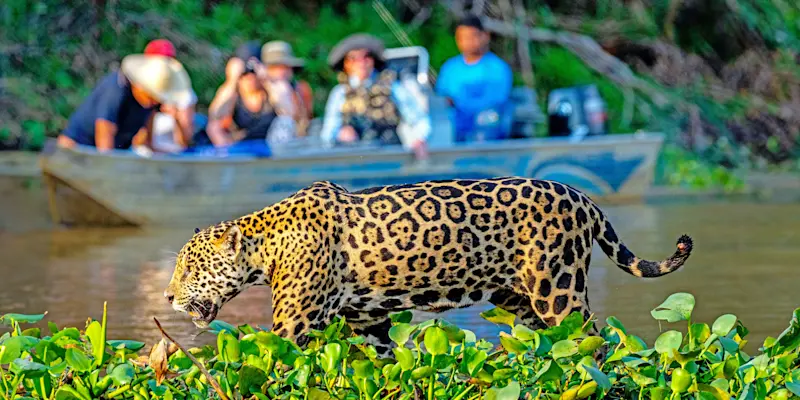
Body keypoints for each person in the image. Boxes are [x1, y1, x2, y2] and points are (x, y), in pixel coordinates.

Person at [57, 54, 195, 156]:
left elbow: (146, 142)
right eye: (151, 95)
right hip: (78, 150)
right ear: (140, 85)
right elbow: (104, 140)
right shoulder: (116, 90)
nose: (154, 101)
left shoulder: (151, 103)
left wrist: (176, 118)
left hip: (117, 152)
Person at [320, 33, 430, 158]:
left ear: (373, 60)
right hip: (352, 160)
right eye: (353, 58)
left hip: (388, 156)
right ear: (345, 64)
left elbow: (419, 119)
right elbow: (328, 134)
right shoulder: (340, 93)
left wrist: (419, 139)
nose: (361, 62)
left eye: (366, 56)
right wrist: (341, 134)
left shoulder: (392, 87)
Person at [435, 14, 513, 143]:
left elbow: (495, 102)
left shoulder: (497, 68)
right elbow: (441, 98)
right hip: (452, 133)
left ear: (485, 36)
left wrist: (459, 104)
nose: (467, 42)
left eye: (472, 36)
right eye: (462, 38)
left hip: (486, 133)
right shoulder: (450, 68)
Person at [203, 41, 277, 155]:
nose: (250, 77)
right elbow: (215, 115)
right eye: (245, 73)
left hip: (271, 147)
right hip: (237, 148)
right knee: (214, 126)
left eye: (253, 72)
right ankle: (229, 161)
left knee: (286, 122)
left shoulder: (273, 89)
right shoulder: (232, 92)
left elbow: (289, 113)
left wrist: (267, 80)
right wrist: (232, 80)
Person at [142, 39, 198, 153]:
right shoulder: (139, 90)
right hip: (143, 151)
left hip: (172, 153)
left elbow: (185, 143)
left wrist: (175, 117)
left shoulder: (184, 93)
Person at [261, 40, 314, 139]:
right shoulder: (258, 91)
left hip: (290, 148)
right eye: (276, 67)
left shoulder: (301, 89)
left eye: (286, 67)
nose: (282, 72)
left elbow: (304, 124)